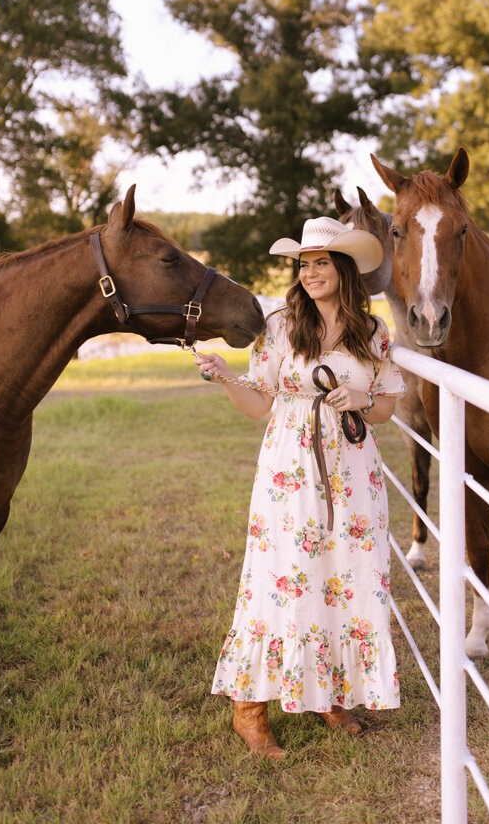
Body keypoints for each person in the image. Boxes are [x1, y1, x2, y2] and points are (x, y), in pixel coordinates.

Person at [195, 216, 406, 759]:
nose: (310, 272)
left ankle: (324, 693)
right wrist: (225, 379)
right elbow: (259, 403)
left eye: (320, 262)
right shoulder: (281, 326)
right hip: (291, 470)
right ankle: (249, 708)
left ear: (343, 268)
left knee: (344, 578)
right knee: (282, 576)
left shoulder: (373, 331)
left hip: (355, 474)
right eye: (304, 264)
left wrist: (363, 402)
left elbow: (385, 404)